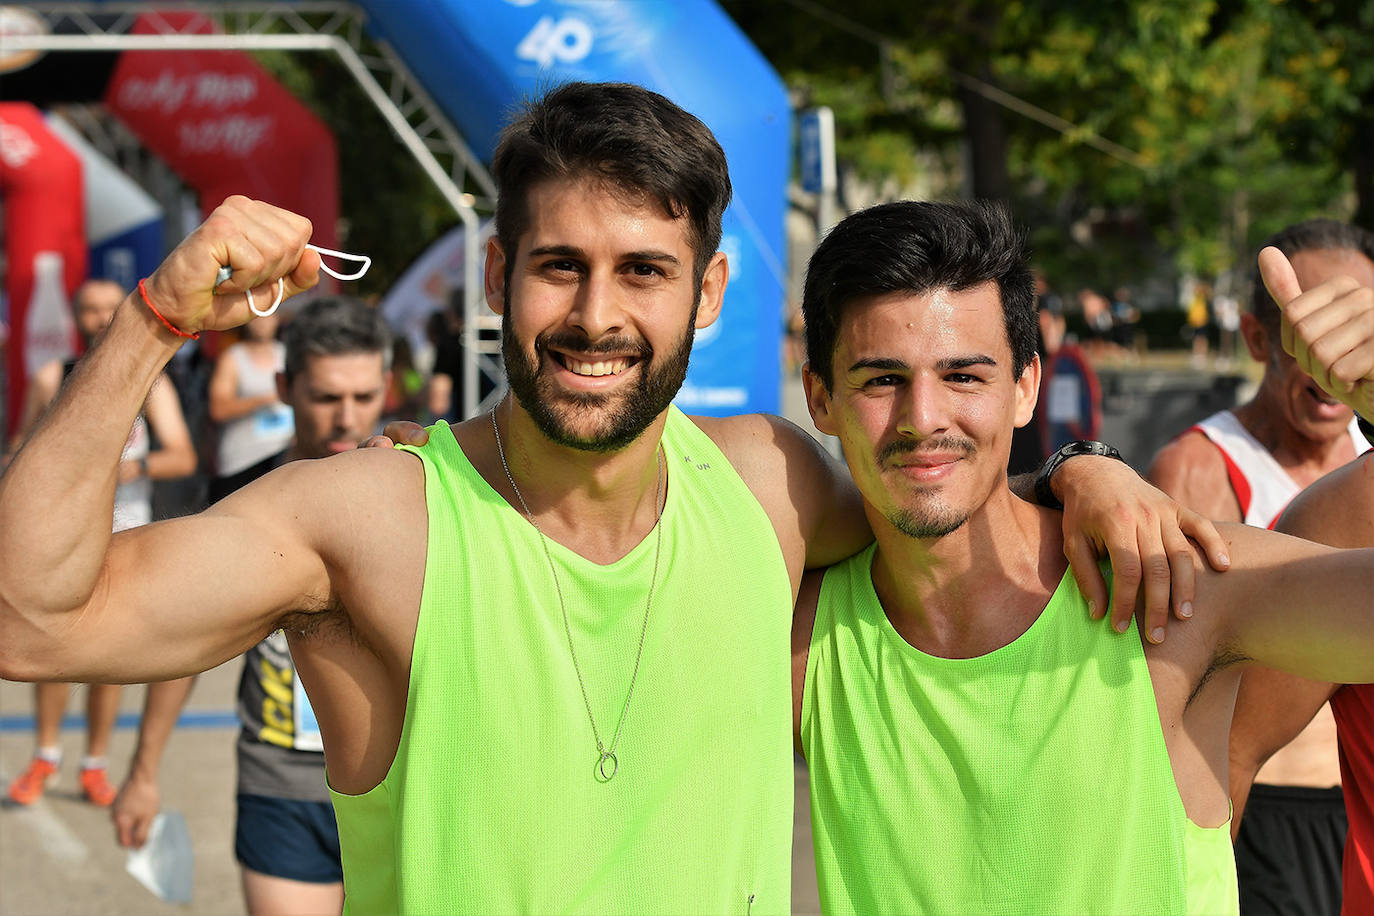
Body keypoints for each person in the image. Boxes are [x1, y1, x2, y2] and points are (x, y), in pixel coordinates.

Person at [0, 82, 1223, 912]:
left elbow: (946, 489)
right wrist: (152, 325)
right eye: (558, 268)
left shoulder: (772, 486)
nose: (595, 317)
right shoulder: (369, 519)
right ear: (497, 277)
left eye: (643, 271)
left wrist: (1077, 470)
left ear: (708, 292)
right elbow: (32, 620)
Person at [790, 199, 1374, 914]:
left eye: (964, 377)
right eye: (882, 379)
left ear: (1026, 387)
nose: (924, 419)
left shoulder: (1172, 587)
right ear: (819, 398)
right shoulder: (801, 637)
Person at [111, 297, 392, 916]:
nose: (347, 419)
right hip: (283, 782)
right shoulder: (241, 501)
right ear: (286, 388)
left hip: (407, 785)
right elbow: (185, 643)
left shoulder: (424, 485)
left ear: (387, 387)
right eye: (326, 398)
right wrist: (144, 771)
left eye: (364, 397)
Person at [1148, 219, 1374, 916]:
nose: (1337, 355)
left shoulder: (1355, 473)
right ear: (1259, 340)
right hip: (1266, 815)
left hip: (1337, 811)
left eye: (1358, 320)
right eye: (1312, 327)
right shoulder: (1204, 469)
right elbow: (1212, 737)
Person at [4, 277, 196, 808]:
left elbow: (183, 455)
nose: (102, 318)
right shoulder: (54, 376)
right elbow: (19, 445)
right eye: (90, 309)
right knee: (50, 650)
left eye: (113, 308)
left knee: (107, 658)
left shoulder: (152, 381)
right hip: (60, 535)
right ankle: (45, 755)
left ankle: (94, 763)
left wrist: (126, 467)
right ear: (76, 318)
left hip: (123, 533)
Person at [207, 311, 294, 504]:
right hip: (242, 461)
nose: (263, 323)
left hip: (282, 458)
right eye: (258, 316)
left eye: (269, 315)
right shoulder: (232, 358)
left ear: (277, 318)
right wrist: (267, 399)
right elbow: (218, 409)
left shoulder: (287, 353)